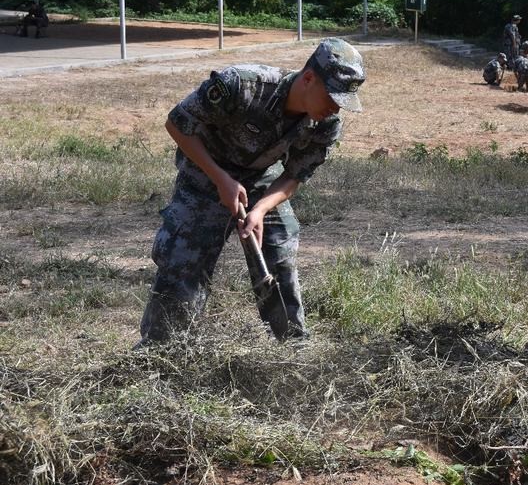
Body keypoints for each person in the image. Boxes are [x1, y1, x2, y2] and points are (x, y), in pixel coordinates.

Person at [137, 38, 365, 347]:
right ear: (309, 78)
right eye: (332, 96)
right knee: (184, 257)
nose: (336, 107)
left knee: (280, 245)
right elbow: (177, 124)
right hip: (205, 173)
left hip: (261, 180)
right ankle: (161, 348)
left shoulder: (325, 123)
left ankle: (291, 343)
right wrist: (220, 179)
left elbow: (295, 175)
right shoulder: (242, 85)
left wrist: (260, 211)